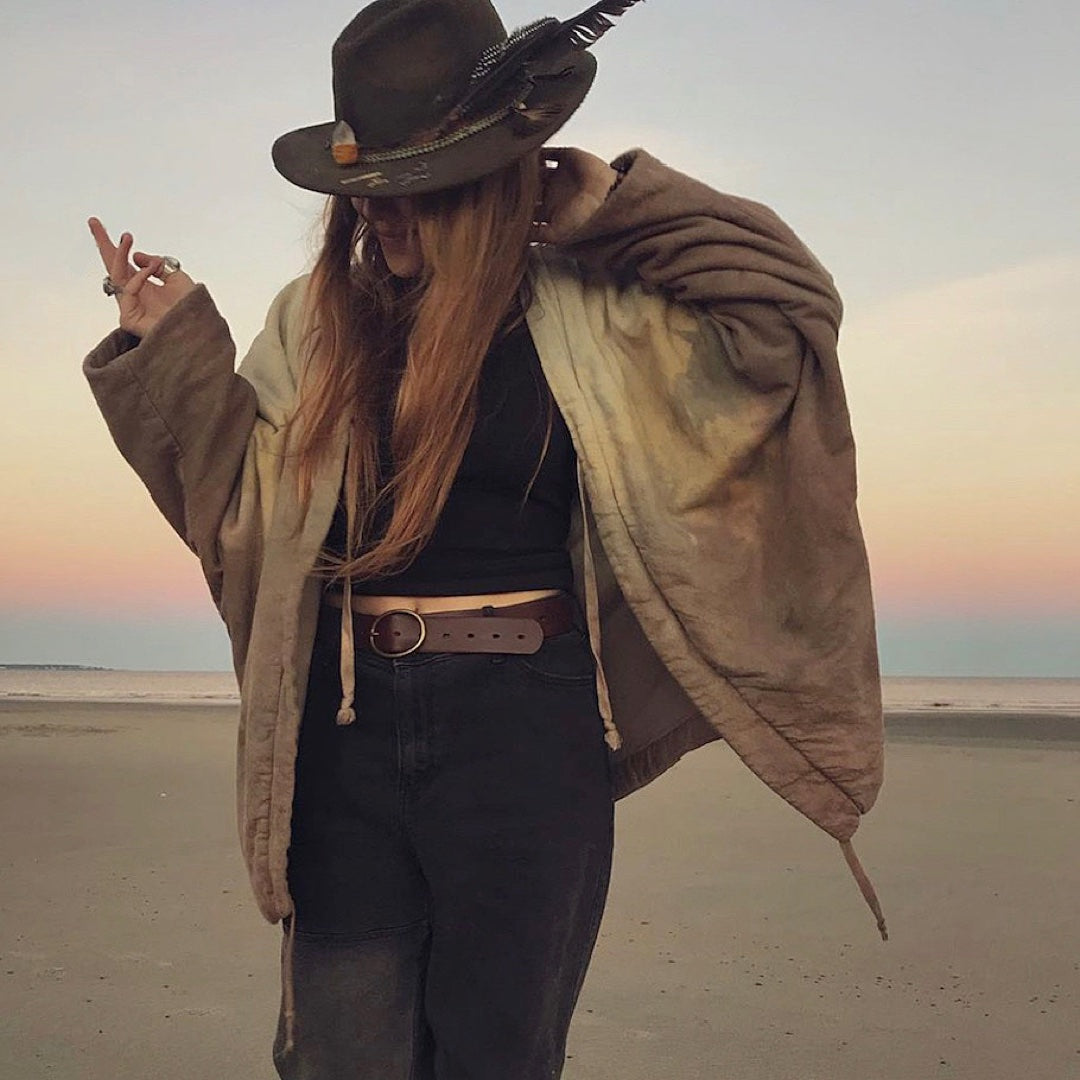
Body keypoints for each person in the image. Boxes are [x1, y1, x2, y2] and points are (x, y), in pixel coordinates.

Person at [84, 0, 887, 1077]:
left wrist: (608, 205)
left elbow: (787, 309)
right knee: (340, 1052)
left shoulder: (594, 309)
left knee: (499, 1056)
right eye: (367, 198)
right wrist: (171, 344)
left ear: (491, 180)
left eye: (422, 194)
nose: (385, 222)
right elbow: (237, 511)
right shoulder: (314, 322)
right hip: (342, 727)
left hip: (524, 734)